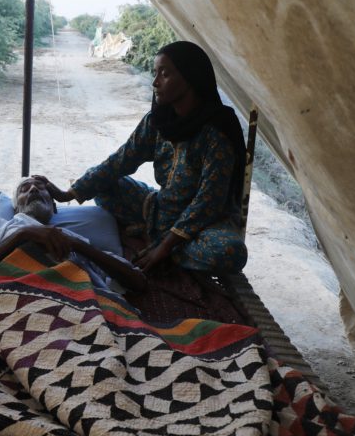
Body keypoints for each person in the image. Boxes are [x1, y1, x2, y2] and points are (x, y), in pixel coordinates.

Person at [38, 41, 248, 274]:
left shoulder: (216, 131)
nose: (155, 82)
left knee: (231, 252)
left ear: (191, 77)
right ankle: (160, 234)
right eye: (155, 73)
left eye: (165, 74)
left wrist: (165, 246)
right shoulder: (159, 121)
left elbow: (209, 201)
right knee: (105, 186)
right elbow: (121, 160)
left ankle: (166, 244)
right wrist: (69, 193)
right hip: (160, 209)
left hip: (205, 223)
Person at [0, 177, 146, 300]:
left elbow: (138, 282)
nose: (33, 190)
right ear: (16, 208)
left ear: (53, 207)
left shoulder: (73, 240)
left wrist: (78, 246)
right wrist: (22, 236)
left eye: (40, 188)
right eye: (24, 189)